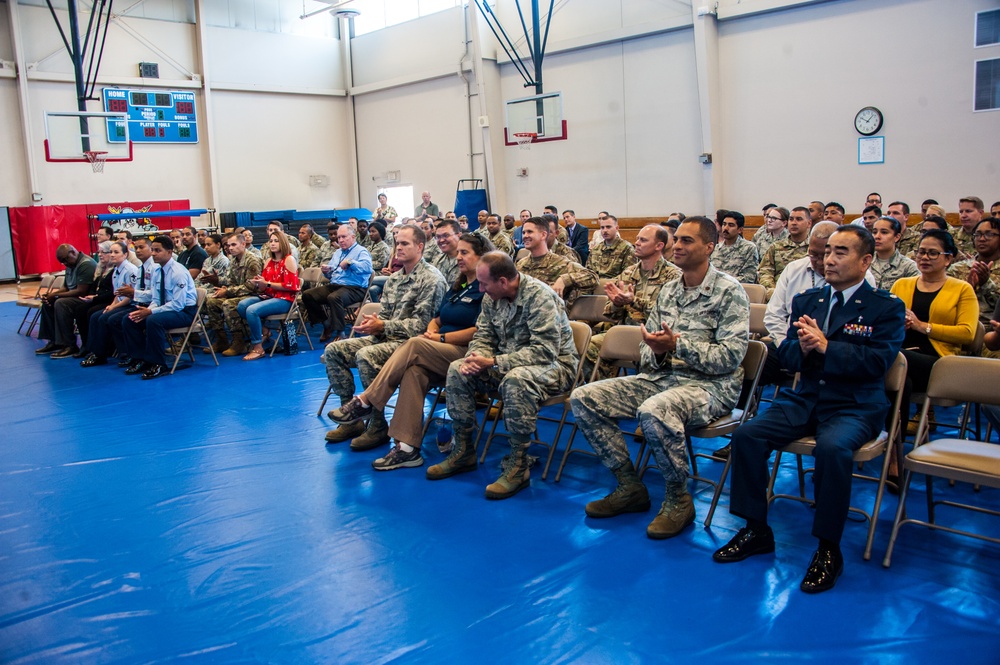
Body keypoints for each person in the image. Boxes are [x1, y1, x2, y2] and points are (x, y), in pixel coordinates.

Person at [715, 226, 905, 594]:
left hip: (855, 404)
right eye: (828, 251)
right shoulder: (809, 300)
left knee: (833, 449)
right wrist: (801, 349)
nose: (830, 260)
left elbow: (879, 362)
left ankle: (828, 548)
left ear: (866, 261)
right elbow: (785, 356)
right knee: (747, 435)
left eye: (841, 252)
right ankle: (756, 529)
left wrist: (826, 347)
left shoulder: (886, 307)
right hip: (807, 398)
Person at [569, 217, 749, 538]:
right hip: (661, 378)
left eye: (687, 241)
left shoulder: (728, 292)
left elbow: (730, 358)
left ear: (709, 247)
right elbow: (646, 348)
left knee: (655, 410)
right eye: (676, 240)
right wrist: (661, 351)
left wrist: (677, 345)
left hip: (710, 387)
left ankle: (678, 498)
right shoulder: (668, 291)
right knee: (584, 398)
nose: (678, 246)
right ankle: (629, 486)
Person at [329, 233, 491, 470]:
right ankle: (407, 448)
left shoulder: (484, 287)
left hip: (464, 351)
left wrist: (438, 336)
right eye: (458, 253)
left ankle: (365, 401)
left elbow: (480, 330)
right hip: (437, 346)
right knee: (414, 373)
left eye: (464, 253)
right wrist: (434, 330)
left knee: (414, 344)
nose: (458, 257)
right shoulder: (460, 285)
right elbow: (437, 317)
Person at [428, 252, 578, 499]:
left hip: (555, 368)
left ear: (504, 282)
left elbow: (545, 352)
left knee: (516, 380)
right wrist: (476, 357)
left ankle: (518, 465)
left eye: (484, 283)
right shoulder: (491, 297)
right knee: (458, 369)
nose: (481, 289)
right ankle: (463, 450)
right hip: (507, 363)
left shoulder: (540, 297)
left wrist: (495, 361)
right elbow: (484, 335)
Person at [322, 224, 448, 451]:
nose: (398, 248)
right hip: (388, 337)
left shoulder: (432, 280)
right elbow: (387, 315)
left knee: (366, 355)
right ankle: (353, 421)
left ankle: (377, 426)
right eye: (397, 243)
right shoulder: (395, 278)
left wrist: (384, 326)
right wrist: (374, 325)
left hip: (412, 345)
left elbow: (422, 327)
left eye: (405, 243)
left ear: (420, 246)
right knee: (334, 350)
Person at [890, 229, 978, 436]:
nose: (924, 258)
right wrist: (896, 325)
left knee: (891, 360)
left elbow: (968, 334)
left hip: (941, 363)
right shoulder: (901, 284)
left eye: (932, 253)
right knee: (902, 378)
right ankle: (896, 446)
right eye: (921, 252)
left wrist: (923, 326)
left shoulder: (962, 289)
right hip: (904, 360)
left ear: (948, 258)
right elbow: (885, 322)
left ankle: (892, 442)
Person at [584, 225, 679, 379]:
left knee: (650, 359)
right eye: (637, 239)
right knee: (589, 346)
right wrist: (617, 303)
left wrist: (634, 301)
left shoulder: (673, 276)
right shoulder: (629, 273)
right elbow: (609, 313)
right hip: (625, 333)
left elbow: (668, 314)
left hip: (655, 338)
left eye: (643, 240)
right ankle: (604, 390)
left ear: (659, 246)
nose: (637, 243)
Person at [121, 235, 199, 380]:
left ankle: (158, 364)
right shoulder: (157, 270)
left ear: (169, 252)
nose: (153, 254)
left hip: (185, 312)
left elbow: (178, 304)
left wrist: (150, 312)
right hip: (167, 308)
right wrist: (146, 310)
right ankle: (140, 358)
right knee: (130, 318)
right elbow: (156, 298)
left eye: (158, 250)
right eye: (152, 250)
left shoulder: (179, 272)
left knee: (153, 320)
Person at [301, 225, 373, 343]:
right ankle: (326, 324)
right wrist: (327, 272)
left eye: (344, 237)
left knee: (334, 298)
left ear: (353, 237)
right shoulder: (338, 252)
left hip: (355, 287)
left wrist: (350, 263)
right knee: (308, 295)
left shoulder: (361, 251)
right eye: (339, 237)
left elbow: (367, 269)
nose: (340, 240)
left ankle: (341, 333)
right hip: (335, 285)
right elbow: (332, 274)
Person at [236, 232, 300, 361]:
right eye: (271, 241)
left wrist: (268, 283)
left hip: (285, 299)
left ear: (282, 243)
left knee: (252, 310)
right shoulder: (268, 261)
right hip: (269, 295)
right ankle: (265, 331)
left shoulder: (289, 259)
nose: (273, 244)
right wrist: (259, 283)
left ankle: (258, 347)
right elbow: (264, 287)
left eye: (276, 241)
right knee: (242, 305)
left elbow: (292, 286)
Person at [515, 217, 597, 311]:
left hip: (550, 318)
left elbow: (592, 277)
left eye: (530, 232)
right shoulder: (521, 264)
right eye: (523, 232)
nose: (525, 236)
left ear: (543, 235)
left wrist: (564, 279)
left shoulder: (559, 262)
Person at [203, 233, 264, 356]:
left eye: (233, 245)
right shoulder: (234, 260)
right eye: (228, 245)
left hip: (254, 295)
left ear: (243, 244)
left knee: (228, 304)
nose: (230, 248)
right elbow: (230, 280)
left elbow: (252, 286)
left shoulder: (252, 260)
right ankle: (222, 340)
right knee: (211, 301)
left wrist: (228, 291)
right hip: (239, 294)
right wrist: (220, 284)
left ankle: (239, 342)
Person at [81, 241, 140, 367]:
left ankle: (114, 353)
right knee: (95, 316)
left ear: (125, 255)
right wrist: (111, 305)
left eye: (116, 252)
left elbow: (130, 297)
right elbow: (117, 294)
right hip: (121, 302)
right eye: (111, 252)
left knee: (107, 318)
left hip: (131, 303)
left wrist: (113, 307)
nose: (112, 255)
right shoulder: (116, 270)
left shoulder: (130, 270)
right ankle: (95, 351)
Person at [34, 244, 98, 357]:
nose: (65, 264)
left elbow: (81, 291)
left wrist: (57, 297)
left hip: (86, 299)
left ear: (73, 252)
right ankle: (54, 341)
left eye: (65, 260)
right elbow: (66, 287)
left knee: (61, 303)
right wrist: (52, 295)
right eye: (62, 262)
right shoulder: (70, 264)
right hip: (74, 296)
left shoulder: (86, 264)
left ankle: (69, 345)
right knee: (48, 304)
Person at [948, 216, 1000, 329]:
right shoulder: (957, 268)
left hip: (991, 331)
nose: (982, 239)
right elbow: (944, 301)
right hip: (956, 327)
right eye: (978, 235)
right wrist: (967, 289)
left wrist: (986, 284)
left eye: (989, 234)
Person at [758, 206, 810, 299]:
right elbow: (765, 272)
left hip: (806, 296)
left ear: (809, 223)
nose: (794, 223)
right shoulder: (776, 247)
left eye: (799, 219)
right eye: (791, 219)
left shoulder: (813, 248)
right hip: (776, 295)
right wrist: (773, 291)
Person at [870, 216, 918, 291]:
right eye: (874, 232)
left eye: (884, 232)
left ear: (897, 237)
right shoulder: (864, 262)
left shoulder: (908, 267)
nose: (877, 236)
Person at [711, 210, 759, 284]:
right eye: (724, 224)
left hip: (736, 290)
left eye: (731, 225)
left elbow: (748, 279)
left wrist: (721, 281)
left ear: (740, 230)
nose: (726, 228)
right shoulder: (715, 248)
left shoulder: (749, 248)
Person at [587, 214, 636, 280]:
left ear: (617, 228)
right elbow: (588, 272)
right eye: (602, 227)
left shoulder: (627, 248)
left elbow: (628, 275)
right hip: (595, 285)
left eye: (608, 227)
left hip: (616, 285)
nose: (605, 230)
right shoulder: (596, 249)